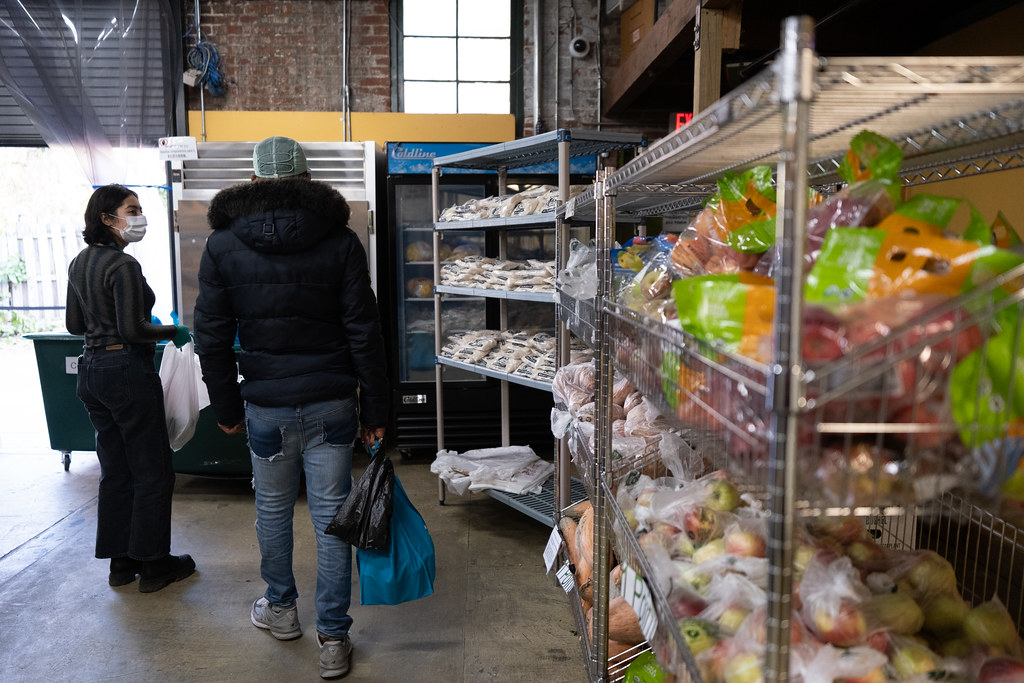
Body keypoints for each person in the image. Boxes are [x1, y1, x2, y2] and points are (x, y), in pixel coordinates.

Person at [193, 136, 389, 680]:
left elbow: (209, 336)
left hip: (265, 405)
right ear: (306, 179)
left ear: (254, 182)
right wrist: (376, 411)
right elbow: (364, 333)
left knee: (272, 512)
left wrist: (226, 407)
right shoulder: (342, 241)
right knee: (332, 519)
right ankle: (333, 638)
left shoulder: (223, 244)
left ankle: (281, 611)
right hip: (331, 404)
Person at [65, 183, 197, 593]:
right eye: (132, 209)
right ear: (107, 219)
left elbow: (74, 326)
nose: (139, 216)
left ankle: (121, 563)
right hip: (126, 370)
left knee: (116, 470)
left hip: (92, 373)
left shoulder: (79, 263)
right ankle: (155, 564)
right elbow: (133, 329)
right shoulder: (123, 266)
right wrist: (173, 330)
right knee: (153, 469)